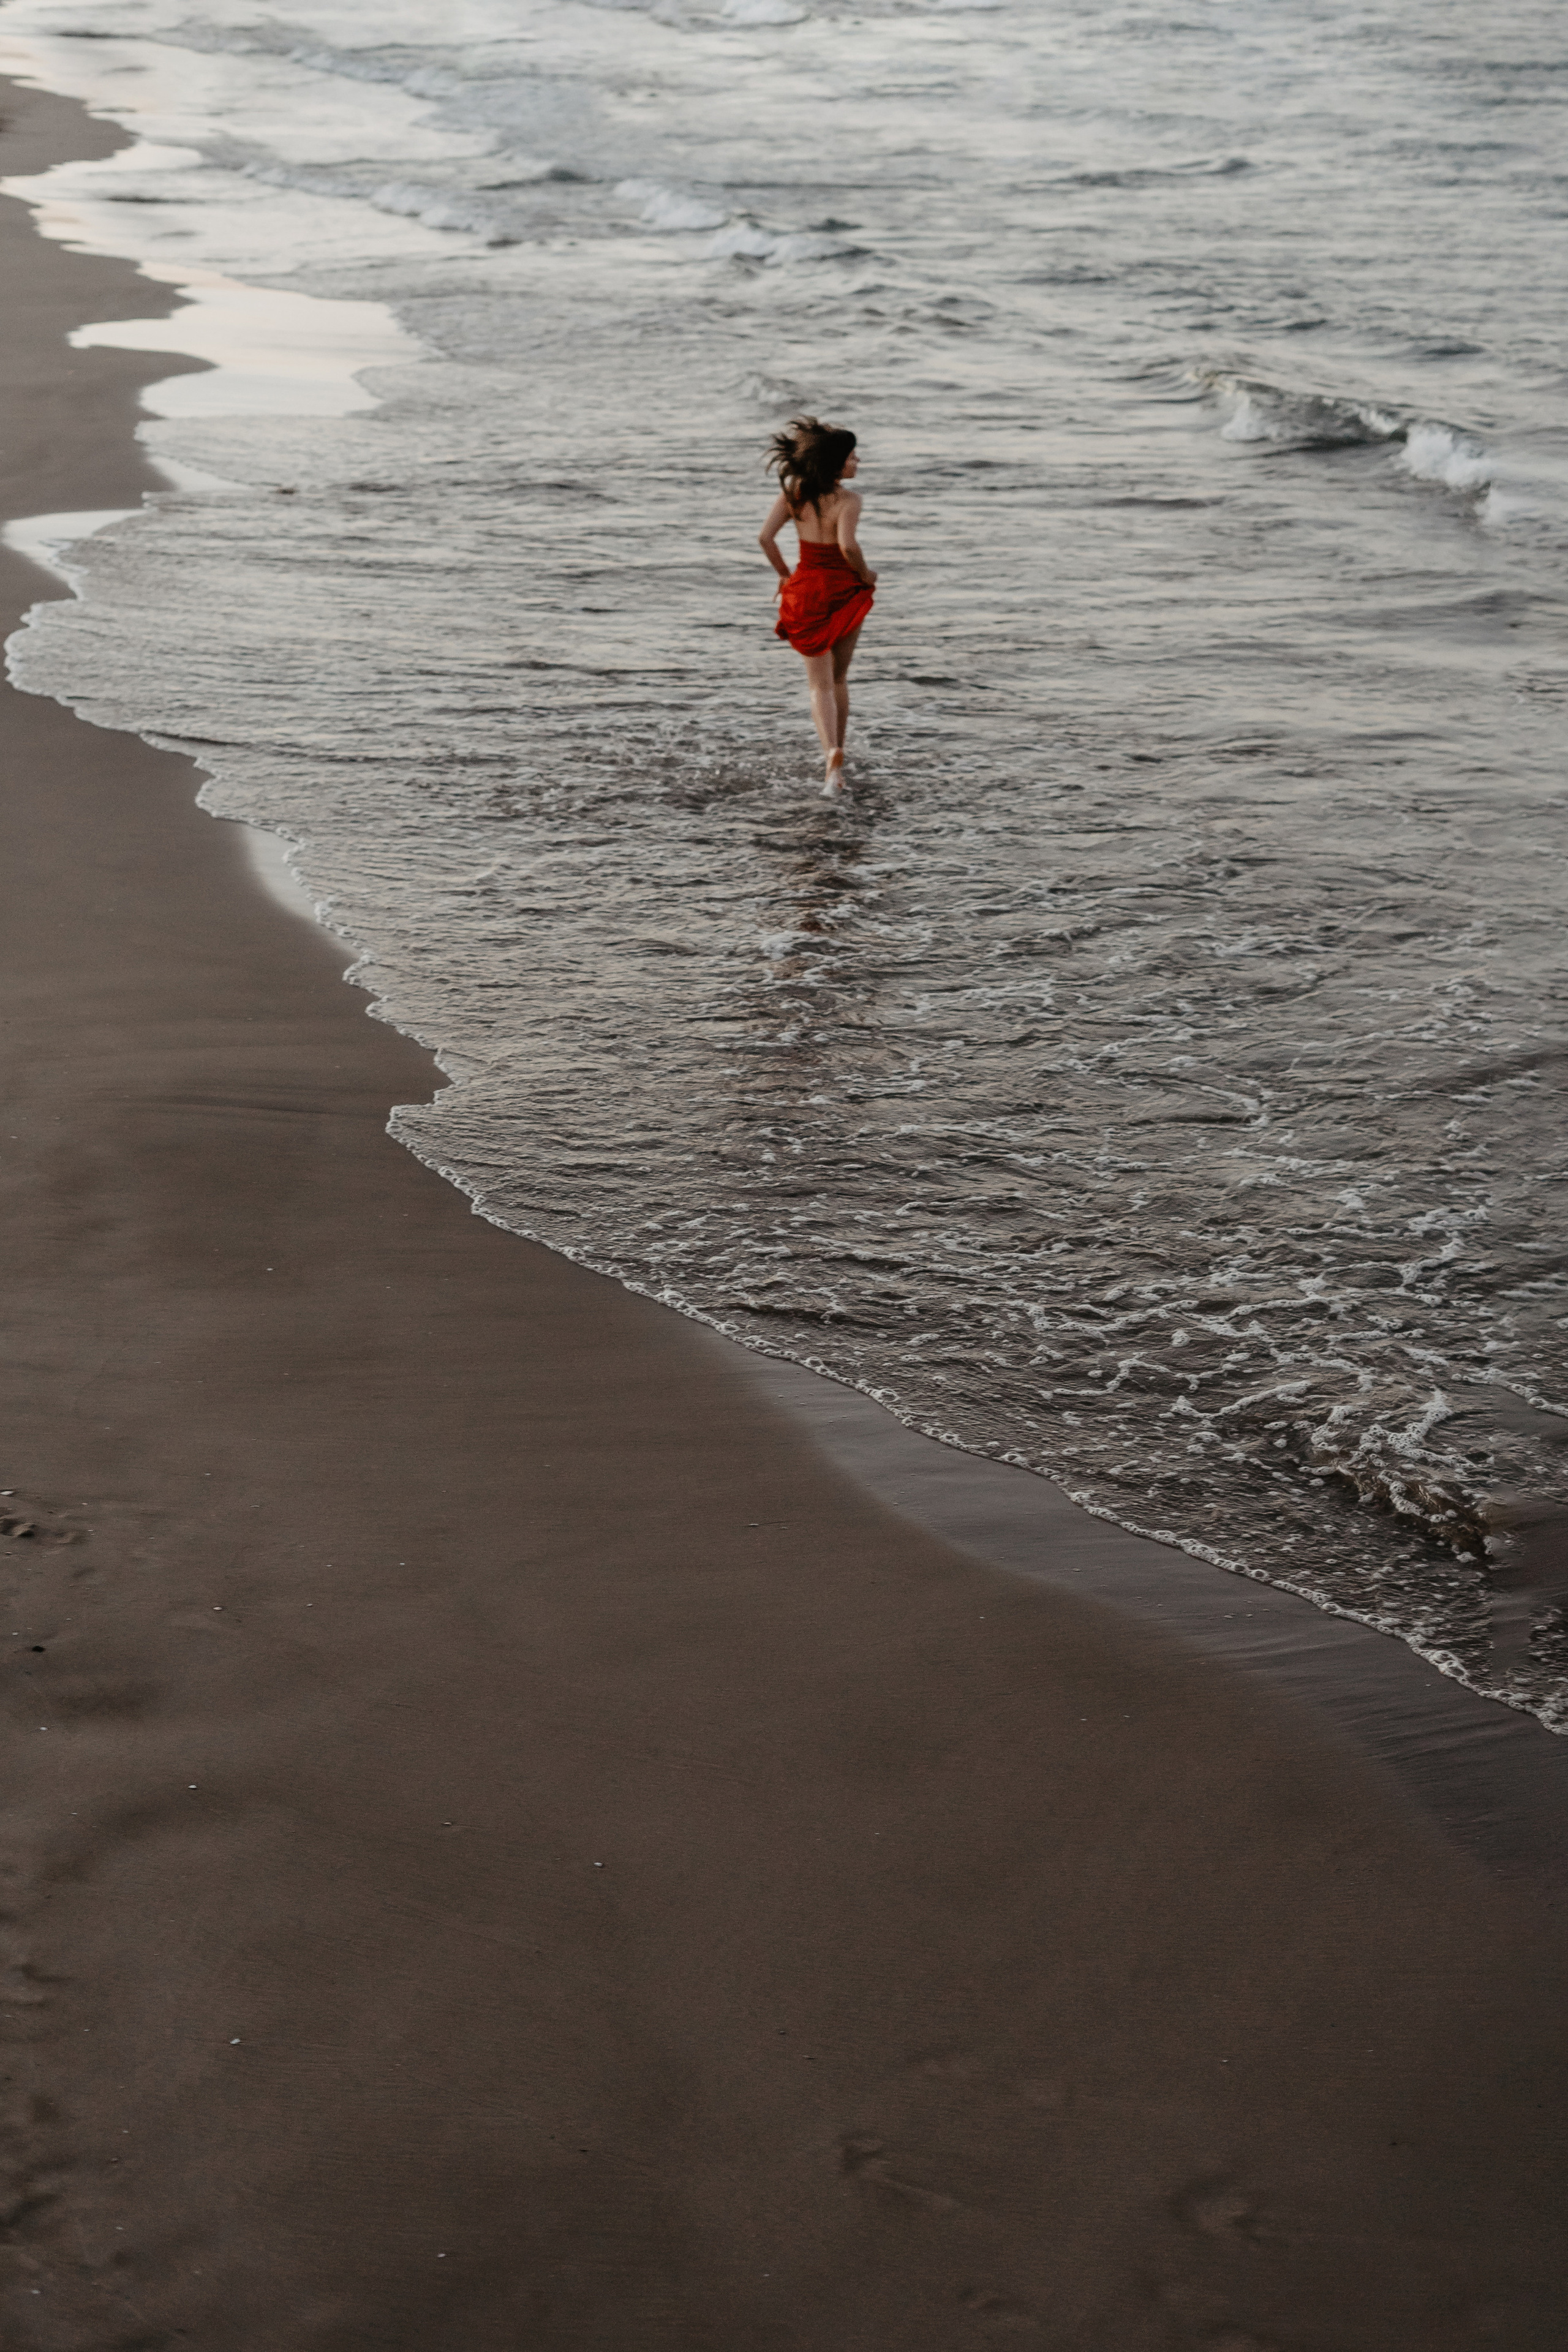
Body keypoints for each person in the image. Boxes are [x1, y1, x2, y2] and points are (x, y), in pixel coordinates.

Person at [759, 417, 876, 793]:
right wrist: (866, 574)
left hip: (806, 588)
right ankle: (838, 756)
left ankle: (830, 761)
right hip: (843, 587)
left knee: (818, 685)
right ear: (836, 463)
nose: (858, 462)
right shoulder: (849, 500)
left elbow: (765, 537)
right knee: (840, 678)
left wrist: (783, 574)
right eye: (852, 457)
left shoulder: (794, 494)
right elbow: (848, 547)